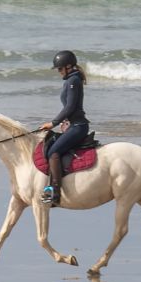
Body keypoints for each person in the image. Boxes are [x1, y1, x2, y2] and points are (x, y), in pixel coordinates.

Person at [36, 50, 89, 207]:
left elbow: (70, 107)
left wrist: (53, 123)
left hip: (78, 126)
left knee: (53, 151)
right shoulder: (72, 80)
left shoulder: (73, 81)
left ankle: (55, 192)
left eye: (60, 69)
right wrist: (65, 121)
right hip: (72, 124)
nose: (59, 72)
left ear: (68, 66)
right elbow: (70, 109)